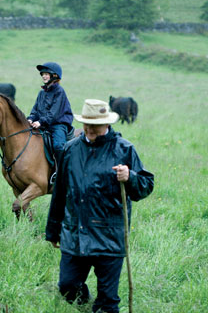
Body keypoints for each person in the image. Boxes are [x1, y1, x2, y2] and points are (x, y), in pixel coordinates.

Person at [45, 99, 155, 313]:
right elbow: (59, 193)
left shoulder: (124, 149)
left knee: (107, 301)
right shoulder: (70, 150)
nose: (89, 128)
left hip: (109, 238)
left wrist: (130, 177)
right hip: (75, 234)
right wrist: (53, 231)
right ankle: (86, 305)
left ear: (107, 124)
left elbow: (145, 186)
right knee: (67, 287)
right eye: (86, 123)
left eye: (95, 124)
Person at [27, 62, 73, 163]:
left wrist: (40, 122)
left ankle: (61, 171)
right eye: (42, 74)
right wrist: (30, 119)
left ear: (55, 75)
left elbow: (54, 113)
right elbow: (35, 110)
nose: (44, 76)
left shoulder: (59, 91)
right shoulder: (41, 93)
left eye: (46, 74)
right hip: (44, 123)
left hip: (58, 124)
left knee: (58, 146)